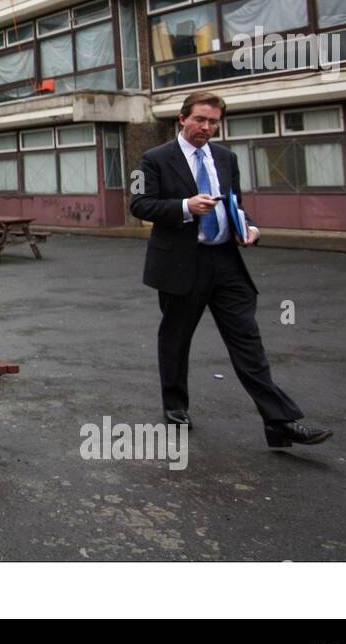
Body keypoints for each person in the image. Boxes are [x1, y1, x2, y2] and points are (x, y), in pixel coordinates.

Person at [129, 90, 333, 449]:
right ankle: (175, 407)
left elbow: (235, 202)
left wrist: (249, 227)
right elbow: (140, 204)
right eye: (200, 120)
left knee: (248, 343)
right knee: (176, 340)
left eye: (213, 122)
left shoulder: (225, 157)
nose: (206, 127)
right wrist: (185, 206)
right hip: (181, 263)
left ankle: (280, 422)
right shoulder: (156, 158)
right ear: (182, 118)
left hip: (226, 263)